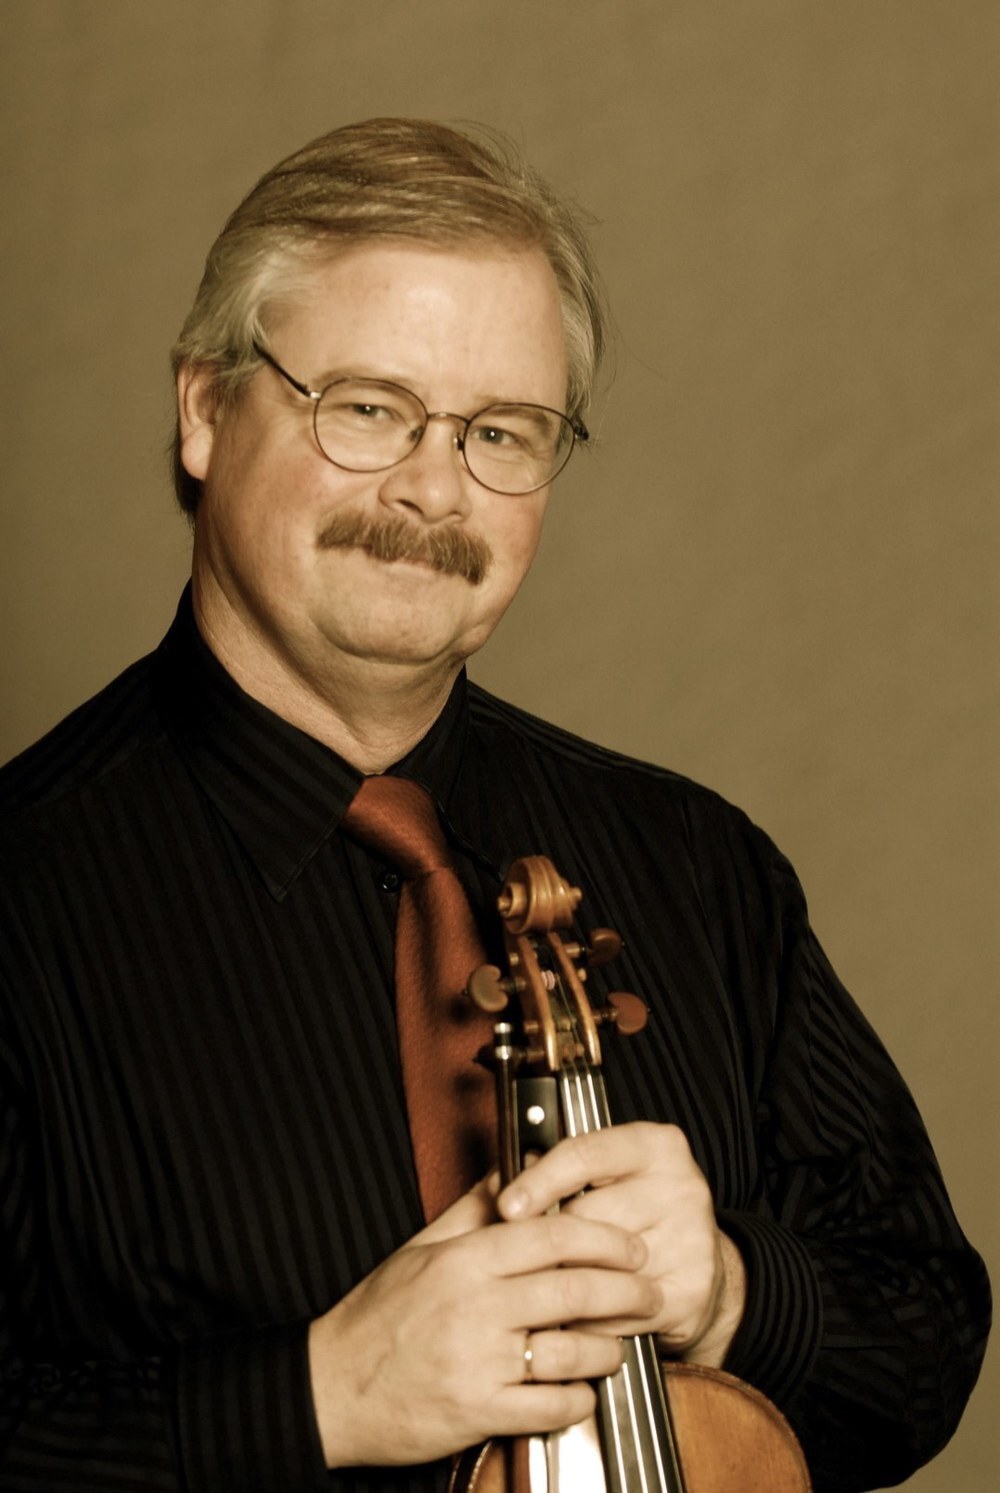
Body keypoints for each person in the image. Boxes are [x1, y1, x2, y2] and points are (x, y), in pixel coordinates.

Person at [0, 118, 988, 1493]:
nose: (432, 487)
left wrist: (724, 1291)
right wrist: (317, 1395)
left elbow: (928, 1336)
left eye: (499, 432)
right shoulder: (14, 898)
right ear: (204, 410)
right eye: (365, 405)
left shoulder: (699, 866)